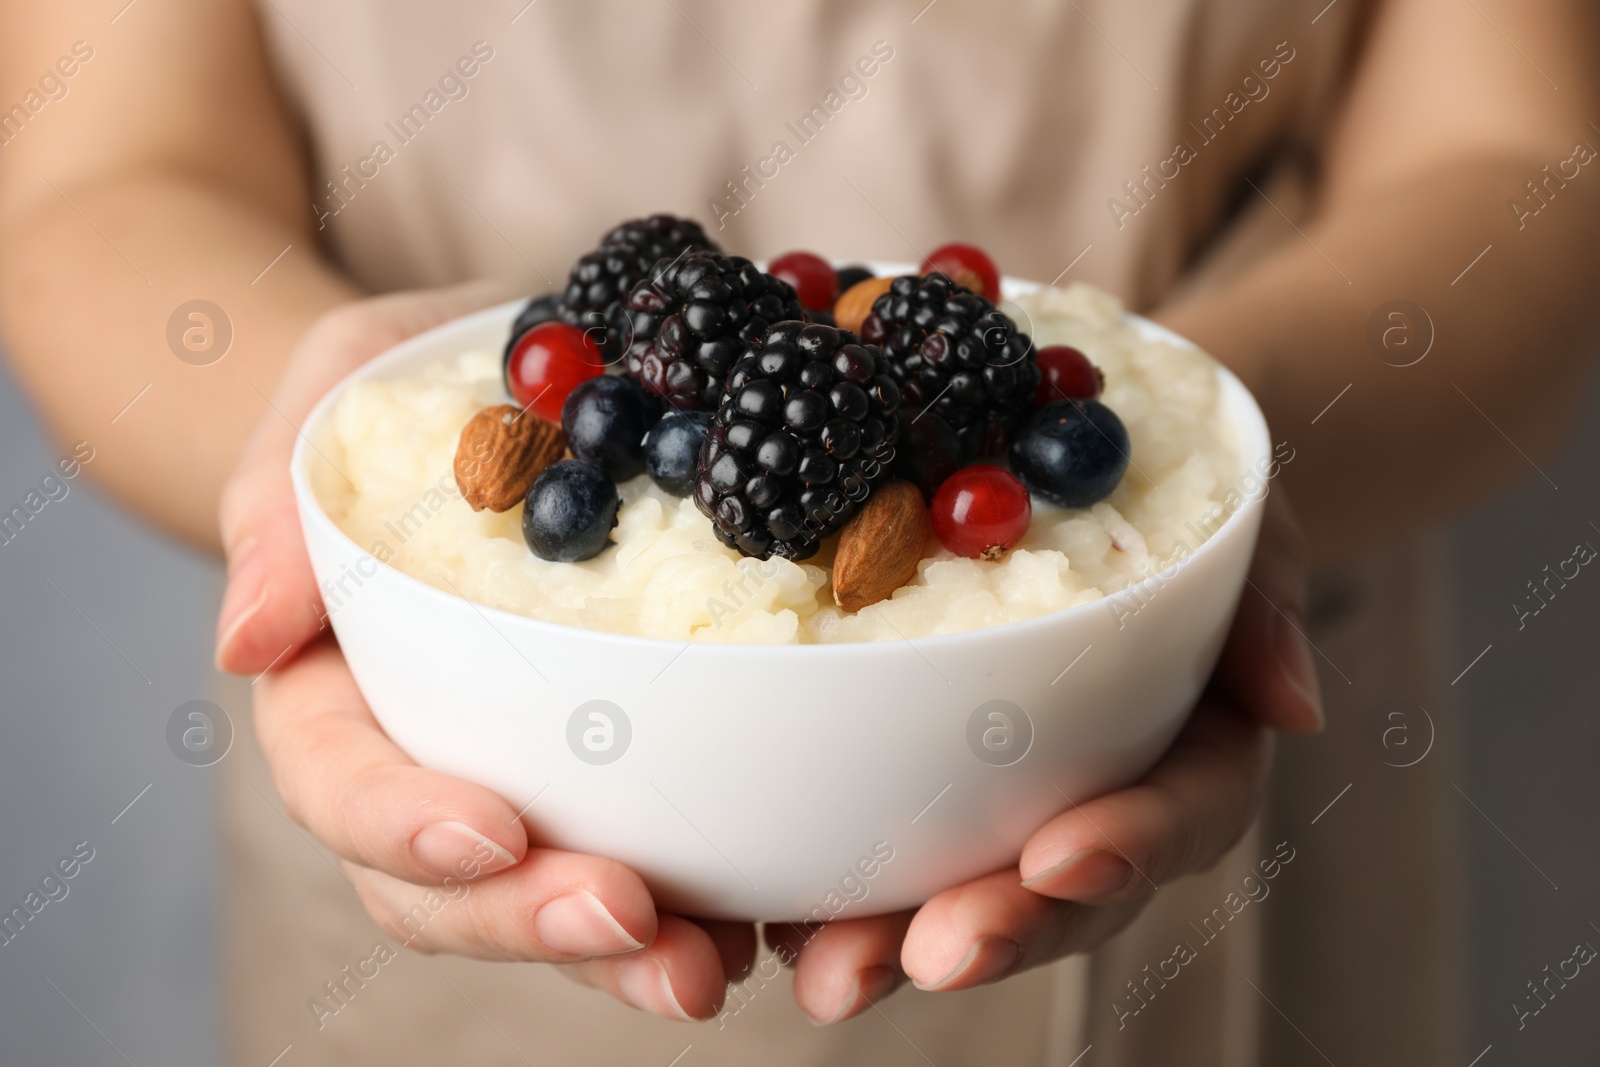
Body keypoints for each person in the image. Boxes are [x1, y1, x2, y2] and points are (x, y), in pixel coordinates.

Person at [1, 0, 1595, 1063]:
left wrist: (1238, 439)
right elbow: (104, 171)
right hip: (449, 791)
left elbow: (1520, 158)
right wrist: (297, 427)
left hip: (1173, 743)